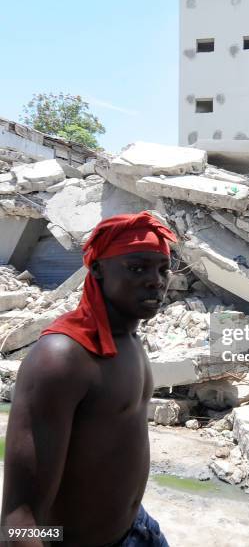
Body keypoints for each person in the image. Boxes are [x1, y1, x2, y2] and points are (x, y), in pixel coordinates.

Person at [1, 211, 176, 547]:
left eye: (162, 268)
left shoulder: (127, 338)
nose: (156, 280)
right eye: (137, 268)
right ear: (96, 269)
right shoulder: (62, 359)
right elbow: (18, 525)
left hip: (139, 529)